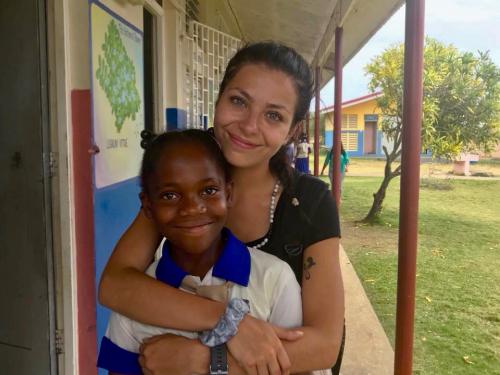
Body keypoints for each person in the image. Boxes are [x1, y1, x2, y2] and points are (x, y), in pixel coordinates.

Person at [99, 42, 344, 375]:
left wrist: (207, 362)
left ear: (293, 130)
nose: (249, 125)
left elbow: (324, 345)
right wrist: (229, 320)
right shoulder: (185, 176)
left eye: (273, 115)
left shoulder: (310, 203)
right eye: (239, 101)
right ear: (219, 99)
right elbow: (115, 285)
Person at [97, 129, 310, 374]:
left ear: (228, 194)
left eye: (208, 190)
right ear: (148, 206)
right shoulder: (136, 300)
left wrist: (211, 362)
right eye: (170, 195)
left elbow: (298, 367)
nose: (191, 208)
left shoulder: (274, 280)